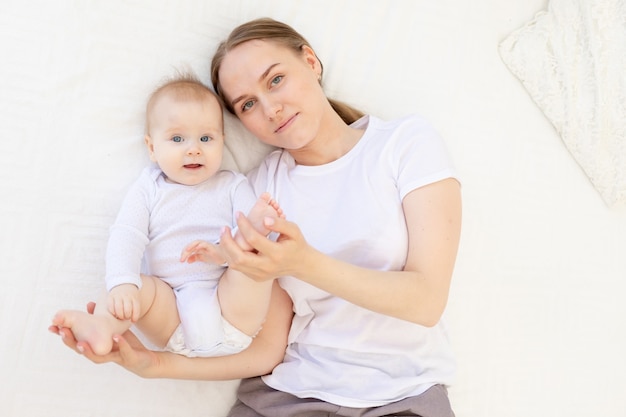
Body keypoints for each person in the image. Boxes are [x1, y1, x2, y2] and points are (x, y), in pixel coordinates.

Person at [51, 18, 462, 417]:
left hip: (403, 396)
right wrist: (154, 366)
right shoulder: (259, 190)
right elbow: (267, 349)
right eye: (247, 104)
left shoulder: (404, 144)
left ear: (311, 62)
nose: (270, 108)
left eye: (275, 79)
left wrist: (303, 263)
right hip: (289, 396)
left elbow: (426, 302)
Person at [51, 73, 284, 358]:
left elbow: (255, 244)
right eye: (177, 138)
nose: (194, 148)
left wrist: (226, 250)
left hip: (233, 309)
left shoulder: (233, 185)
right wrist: (123, 282)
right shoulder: (149, 188)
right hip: (171, 314)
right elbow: (127, 234)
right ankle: (102, 327)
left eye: (206, 138)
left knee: (250, 259)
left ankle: (254, 231)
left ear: (222, 142)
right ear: (152, 148)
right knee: (131, 286)